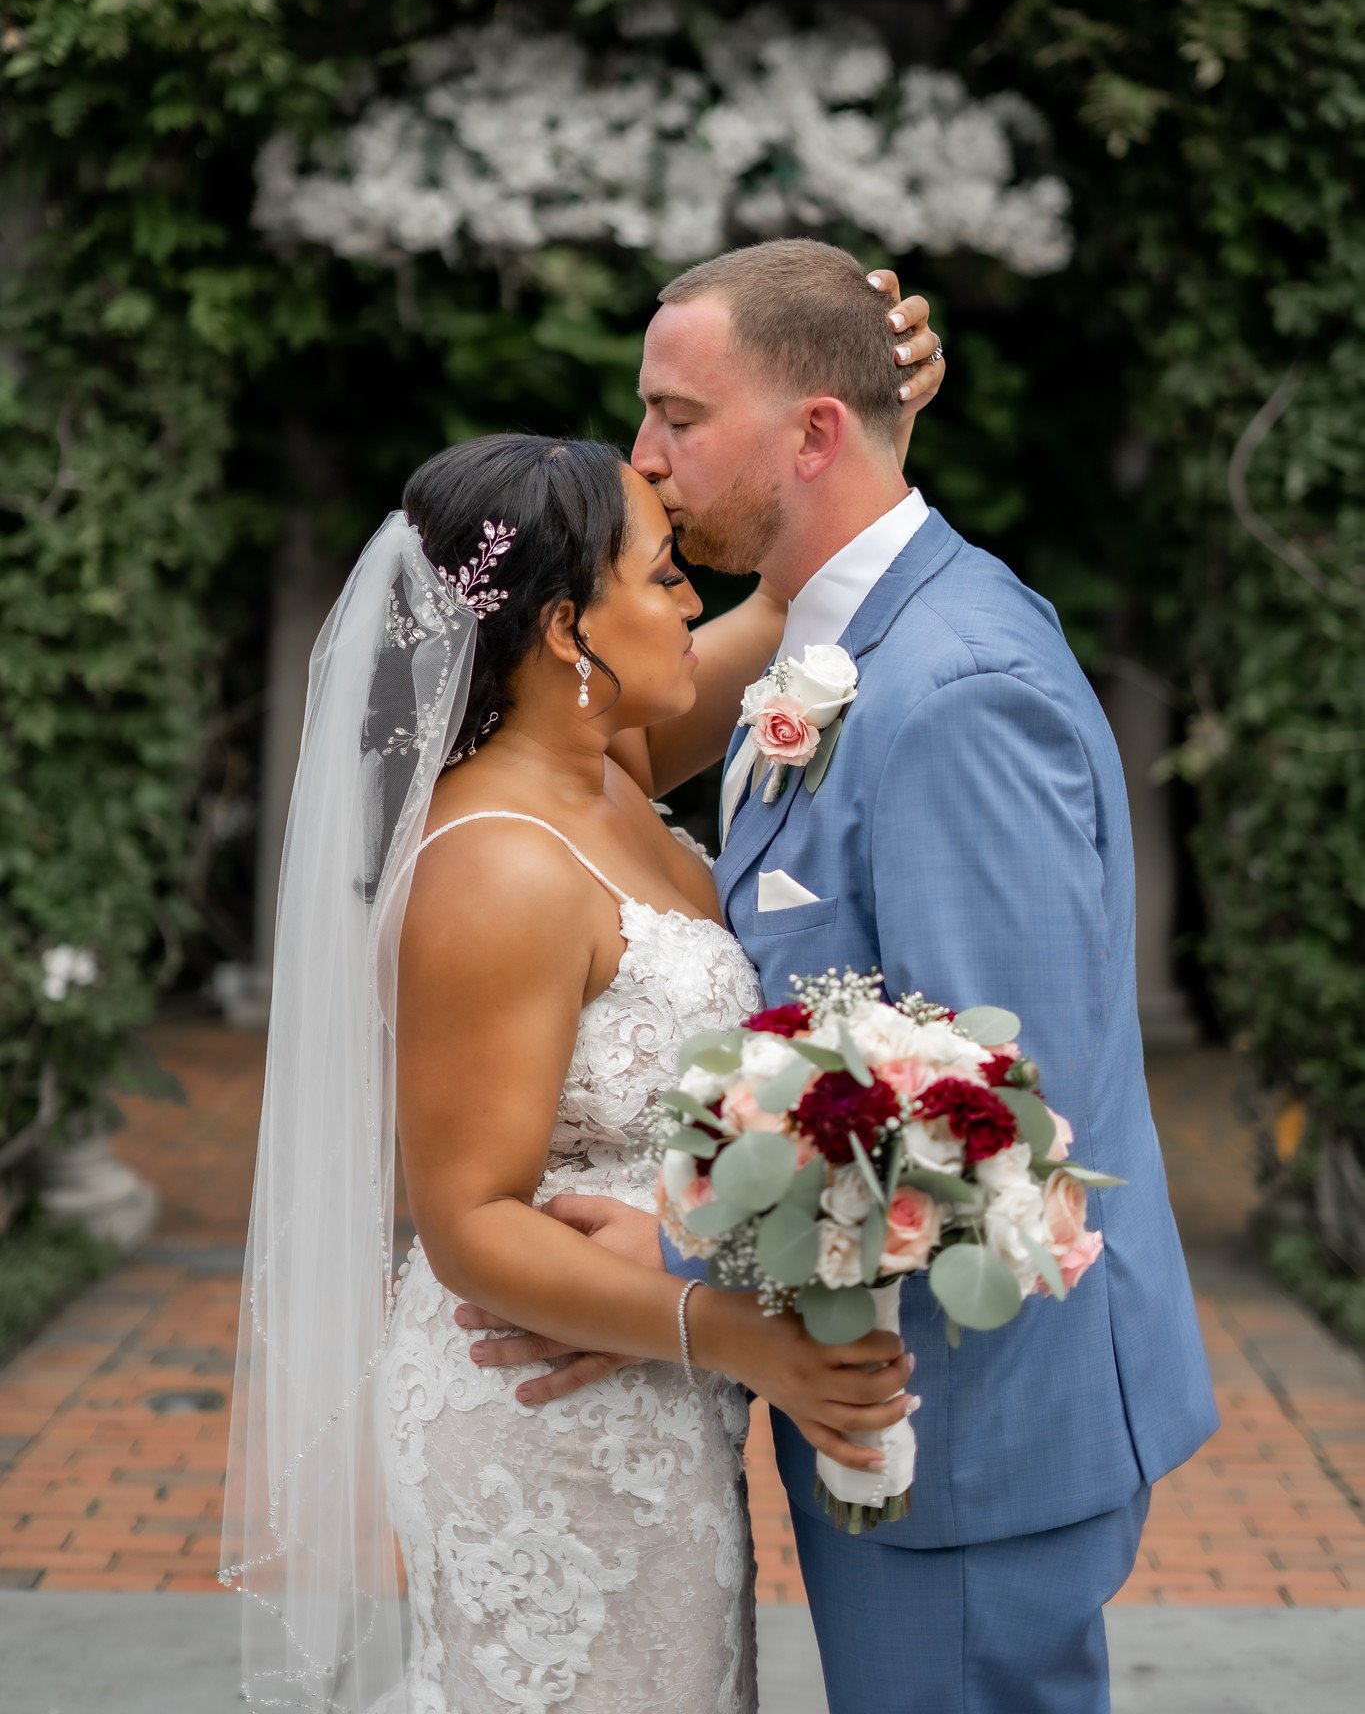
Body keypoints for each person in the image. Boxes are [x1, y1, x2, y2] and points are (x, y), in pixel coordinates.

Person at [456, 238, 1220, 1714]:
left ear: (811, 432)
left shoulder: (950, 694)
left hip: (974, 1425)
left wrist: (675, 1273)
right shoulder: (830, 641)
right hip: (882, 1392)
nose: (644, 457)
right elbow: (584, 764)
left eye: (678, 415)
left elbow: (1004, 1117)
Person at [221, 274, 945, 1714]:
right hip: (544, 1414)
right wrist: (738, 1335)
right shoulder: (492, 867)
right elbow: (468, 1221)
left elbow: (810, 586)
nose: (696, 594)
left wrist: (868, 424)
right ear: (566, 629)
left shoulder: (609, 769)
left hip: (644, 1391)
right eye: (665, 572)